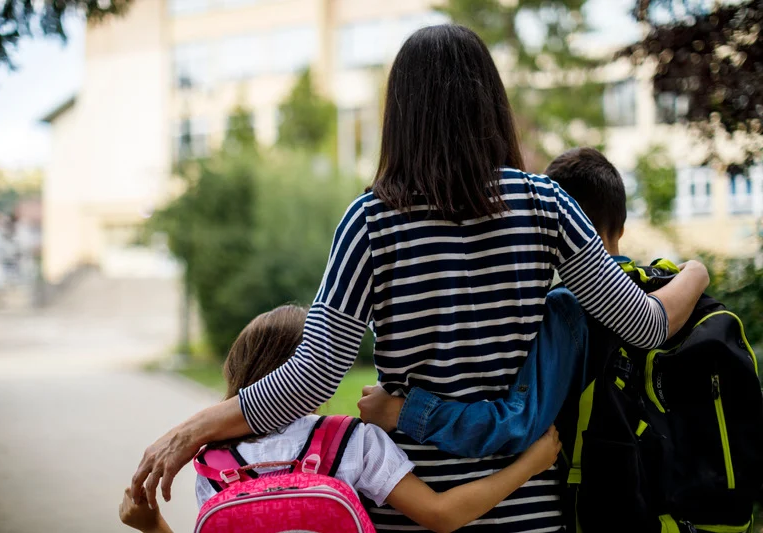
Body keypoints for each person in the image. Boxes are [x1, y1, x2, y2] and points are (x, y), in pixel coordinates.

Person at [132, 26, 709, 532]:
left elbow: (311, 378)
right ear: (492, 106)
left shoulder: (371, 222)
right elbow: (645, 322)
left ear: (400, 114)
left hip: (411, 508)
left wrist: (198, 427)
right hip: (527, 508)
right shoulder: (545, 205)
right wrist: (698, 270)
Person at [119, 305, 562, 533]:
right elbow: (442, 516)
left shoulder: (215, 463)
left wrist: (151, 524)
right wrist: (530, 464)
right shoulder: (351, 441)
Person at [356, 147, 644, 459]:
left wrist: (401, 411)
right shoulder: (663, 290)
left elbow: (516, 423)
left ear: (568, 231)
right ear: (622, 227)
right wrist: (695, 273)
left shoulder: (566, 310)